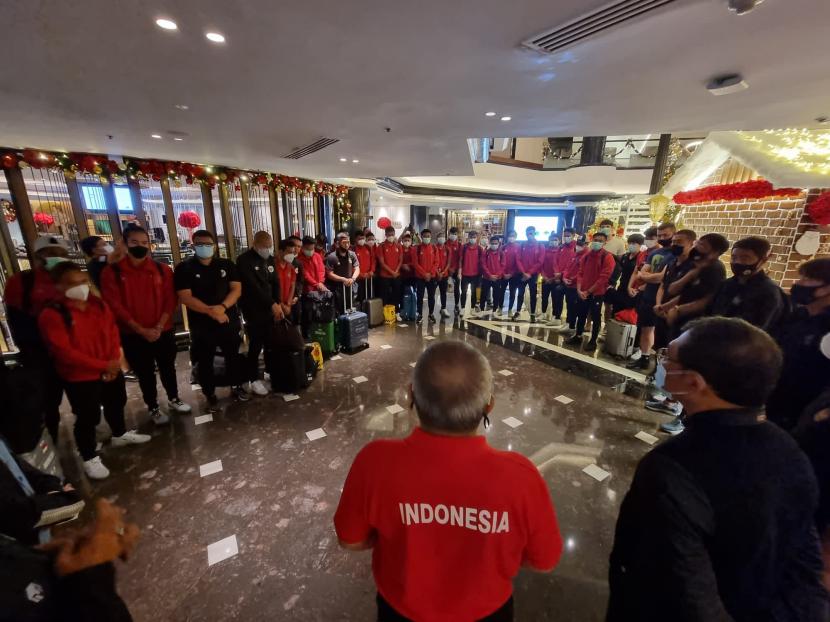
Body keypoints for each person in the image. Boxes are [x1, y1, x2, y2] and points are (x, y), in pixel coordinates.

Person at [607, 317, 829, 622]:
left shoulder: (671, 468)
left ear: (694, 382)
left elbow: (683, 589)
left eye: (668, 358)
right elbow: (805, 566)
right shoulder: (790, 451)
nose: (662, 364)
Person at [334, 341, 563, 621]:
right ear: (488, 405)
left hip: (401, 612)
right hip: (489, 613)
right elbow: (545, 560)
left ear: (411, 395)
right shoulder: (521, 477)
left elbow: (350, 539)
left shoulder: (374, 462)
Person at [39, 263, 151, 480]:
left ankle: (119, 434)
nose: (81, 287)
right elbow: (64, 352)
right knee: (87, 415)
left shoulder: (98, 304)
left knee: (116, 402)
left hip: (110, 366)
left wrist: (113, 361)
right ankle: (88, 455)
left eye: (83, 282)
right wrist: (102, 366)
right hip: (80, 375)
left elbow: (112, 332)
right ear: (58, 286)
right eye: (73, 284)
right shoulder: (53, 314)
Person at [100, 225, 189, 424]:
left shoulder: (161, 269)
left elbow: (170, 300)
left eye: (144, 243)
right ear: (124, 244)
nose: (140, 246)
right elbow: (114, 305)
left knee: (168, 367)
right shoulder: (112, 272)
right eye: (134, 242)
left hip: (162, 330)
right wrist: (141, 329)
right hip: (133, 333)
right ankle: (153, 407)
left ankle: (174, 398)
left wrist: (158, 326)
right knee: (145, 372)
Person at [3, 236, 69, 445]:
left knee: (81, 396)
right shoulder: (21, 282)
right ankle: (51, 439)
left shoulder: (70, 279)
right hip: (40, 351)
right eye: (50, 254)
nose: (55, 258)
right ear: (39, 255)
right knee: (47, 400)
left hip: (72, 350)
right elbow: (16, 319)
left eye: (59, 254)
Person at [174, 229, 249, 411]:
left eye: (208, 245)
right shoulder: (185, 268)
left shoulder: (225, 264)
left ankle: (236, 386)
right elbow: (185, 297)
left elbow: (236, 289)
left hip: (227, 320)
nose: (204, 248)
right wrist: (210, 311)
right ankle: (210, 394)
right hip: (202, 325)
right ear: (193, 245)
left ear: (214, 246)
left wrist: (222, 308)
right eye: (200, 244)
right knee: (205, 360)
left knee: (233, 356)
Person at [766, 258, 830, 431]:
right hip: (773, 397)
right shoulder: (795, 315)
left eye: (807, 279)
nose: (798, 284)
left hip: (801, 410)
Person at [236, 230, 283, 397]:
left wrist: (277, 303)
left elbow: (275, 282)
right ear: (255, 244)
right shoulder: (243, 260)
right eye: (264, 247)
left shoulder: (269, 259)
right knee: (255, 344)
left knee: (271, 342)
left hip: (271, 308)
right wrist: (271, 304)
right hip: (254, 310)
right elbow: (253, 288)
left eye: (270, 246)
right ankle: (253, 379)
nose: (268, 250)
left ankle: (269, 372)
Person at [627, 222, 677, 372]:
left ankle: (659, 367)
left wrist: (648, 276)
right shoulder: (655, 254)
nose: (662, 238)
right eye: (659, 235)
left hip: (664, 299)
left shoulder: (675, 255)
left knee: (662, 334)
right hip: (648, 296)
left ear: (673, 234)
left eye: (665, 235)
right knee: (645, 328)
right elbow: (641, 272)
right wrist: (647, 276)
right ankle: (644, 357)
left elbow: (661, 278)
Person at [710, 236, 786, 331]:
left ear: (762, 261)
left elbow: (755, 330)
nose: (737, 262)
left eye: (745, 258)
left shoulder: (768, 292)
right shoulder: (727, 284)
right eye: (734, 258)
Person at [565, 232, 615, 352]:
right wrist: (579, 289)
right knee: (581, 314)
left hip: (596, 293)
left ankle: (593, 341)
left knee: (596, 316)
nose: (597, 242)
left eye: (600, 240)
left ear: (605, 242)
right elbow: (580, 273)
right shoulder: (586, 256)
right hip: (583, 291)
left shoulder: (607, 257)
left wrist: (588, 291)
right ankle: (578, 335)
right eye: (595, 239)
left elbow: (604, 278)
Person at [554, 238, 586, 335]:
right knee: (569, 305)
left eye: (581, 245)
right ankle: (568, 323)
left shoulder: (585, 257)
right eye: (578, 245)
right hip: (569, 285)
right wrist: (564, 278)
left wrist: (573, 279)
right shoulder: (575, 255)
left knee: (574, 307)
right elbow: (568, 268)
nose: (578, 247)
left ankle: (572, 326)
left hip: (577, 285)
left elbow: (582, 272)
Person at [513, 226, 544, 322]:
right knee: (520, 294)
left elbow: (540, 261)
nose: (529, 235)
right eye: (528, 233)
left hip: (533, 275)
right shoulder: (522, 245)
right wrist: (523, 272)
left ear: (535, 233)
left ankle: (532, 314)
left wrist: (529, 273)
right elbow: (518, 259)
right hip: (522, 274)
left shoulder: (540, 246)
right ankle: (518, 312)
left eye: (531, 233)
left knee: (533, 294)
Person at [325, 233, 360, 315]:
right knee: (339, 310)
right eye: (344, 242)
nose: (347, 244)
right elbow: (329, 273)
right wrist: (342, 279)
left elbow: (357, 268)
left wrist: (353, 278)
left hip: (350, 285)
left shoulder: (352, 254)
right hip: (337, 288)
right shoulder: (332, 256)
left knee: (351, 309)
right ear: (337, 243)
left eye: (348, 242)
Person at [611, 233, 645, 314]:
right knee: (615, 311)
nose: (631, 245)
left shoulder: (641, 258)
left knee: (627, 314)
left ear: (640, 245)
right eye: (629, 243)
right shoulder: (625, 256)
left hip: (633, 289)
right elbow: (619, 269)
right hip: (622, 287)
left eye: (633, 243)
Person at [548, 228, 576, 326]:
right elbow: (555, 261)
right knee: (556, 296)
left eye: (568, 235)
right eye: (565, 235)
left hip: (570, 279)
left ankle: (569, 322)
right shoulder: (561, 247)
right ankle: (556, 317)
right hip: (558, 277)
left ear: (573, 235)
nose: (566, 237)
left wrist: (563, 274)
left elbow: (573, 264)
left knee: (570, 301)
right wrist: (556, 273)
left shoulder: (576, 248)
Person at [376, 226, 403, 322]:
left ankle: (396, 313)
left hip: (396, 275)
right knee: (384, 296)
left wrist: (396, 271)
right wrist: (392, 272)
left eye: (392, 234)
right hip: (385, 276)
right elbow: (382, 263)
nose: (391, 236)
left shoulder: (398, 246)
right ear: (386, 235)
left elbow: (400, 260)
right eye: (389, 234)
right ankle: (384, 314)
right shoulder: (381, 246)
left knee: (396, 295)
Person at [413, 229, 439, 324]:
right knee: (419, 297)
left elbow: (436, 262)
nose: (427, 238)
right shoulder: (417, 248)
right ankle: (419, 314)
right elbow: (415, 263)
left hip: (432, 277)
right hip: (420, 278)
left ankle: (431, 314)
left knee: (431, 297)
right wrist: (424, 274)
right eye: (425, 236)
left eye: (428, 236)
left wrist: (430, 273)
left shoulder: (434, 248)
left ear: (431, 236)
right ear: (421, 236)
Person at [275, 237, 301, 324]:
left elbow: (292, 285)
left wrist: (288, 304)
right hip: (276, 306)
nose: (292, 255)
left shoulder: (291, 267)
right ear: (281, 251)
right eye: (289, 252)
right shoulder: (272, 267)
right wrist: (281, 305)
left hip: (288, 306)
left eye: (293, 253)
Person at [458, 230, 482, 318]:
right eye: (471, 237)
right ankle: (463, 308)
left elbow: (481, 262)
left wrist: (481, 274)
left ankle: (472, 308)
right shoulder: (464, 247)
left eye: (474, 237)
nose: (472, 238)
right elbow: (460, 259)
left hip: (475, 275)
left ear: (477, 238)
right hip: (465, 274)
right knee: (463, 292)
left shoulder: (479, 249)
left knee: (474, 292)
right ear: (468, 237)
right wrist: (459, 271)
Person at [481, 235, 506, 317]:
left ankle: (494, 310)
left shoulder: (501, 253)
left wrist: (497, 275)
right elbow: (483, 265)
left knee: (496, 295)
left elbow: (503, 265)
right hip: (486, 278)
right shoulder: (486, 252)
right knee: (484, 294)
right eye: (492, 243)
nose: (494, 245)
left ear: (499, 243)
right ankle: (482, 309)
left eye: (496, 243)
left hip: (497, 278)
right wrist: (489, 275)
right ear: (490, 243)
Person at [540, 233, 561, 323]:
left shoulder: (560, 251)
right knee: (544, 297)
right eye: (552, 240)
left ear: (559, 241)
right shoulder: (545, 251)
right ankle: (543, 313)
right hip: (545, 279)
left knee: (555, 298)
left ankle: (554, 315)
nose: (554, 242)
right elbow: (541, 265)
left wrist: (553, 278)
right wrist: (545, 277)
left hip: (556, 279)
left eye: (556, 240)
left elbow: (561, 266)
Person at [501, 230, 521, 317]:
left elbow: (519, 262)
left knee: (512, 293)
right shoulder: (503, 247)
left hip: (514, 275)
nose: (511, 237)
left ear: (516, 237)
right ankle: (499, 307)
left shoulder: (519, 247)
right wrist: (503, 273)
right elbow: (500, 261)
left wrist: (511, 274)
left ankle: (510, 309)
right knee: (501, 292)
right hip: (503, 274)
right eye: (510, 236)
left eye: (513, 236)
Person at [353, 231, 376, 304]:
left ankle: (369, 312)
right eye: (359, 239)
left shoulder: (368, 248)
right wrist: (361, 274)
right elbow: (352, 265)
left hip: (369, 277)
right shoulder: (352, 249)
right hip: (358, 278)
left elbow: (373, 261)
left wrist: (372, 270)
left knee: (369, 297)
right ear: (355, 239)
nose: (361, 240)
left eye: (363, 238)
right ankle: (361, 313)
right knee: (360, 297)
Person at [445, 227, 463, 315]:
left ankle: (456, 305)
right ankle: (443, 307)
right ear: (449, 233)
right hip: (446, 270)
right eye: (452, 234)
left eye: (455, 234)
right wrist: (448, 269)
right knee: (444, 289)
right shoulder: (445, 244)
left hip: (456, 270)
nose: (454, 236)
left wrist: (457, 270)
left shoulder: (459, 245)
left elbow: (460, 259)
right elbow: (443, 259)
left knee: (456, 289)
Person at [434, 231, 452, 319]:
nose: (442, 238)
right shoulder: (434, 248)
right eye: (440, 236)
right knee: (432, 293)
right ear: (437, 238)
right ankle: (431, 311)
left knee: (443, 292)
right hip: (435, 274)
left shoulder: (447, 249)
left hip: (444, 275)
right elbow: (432, 262)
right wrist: (437, 272)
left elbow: (448, 262)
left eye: (443, 237)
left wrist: (444, 272)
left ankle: (443, 308)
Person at [399, 233, 417, 313]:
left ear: (411, 241)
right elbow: (397, 260)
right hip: (402, 275)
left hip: (412, 275)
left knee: (412, 292)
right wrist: (402, 265)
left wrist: (408, 265)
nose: (407, 242)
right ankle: (403, 308)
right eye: (405, 240)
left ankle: (412, 309)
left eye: (408, 240)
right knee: (402, 292)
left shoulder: (413, 249)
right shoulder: (399, 249)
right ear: (402, 241)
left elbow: (415, 261)